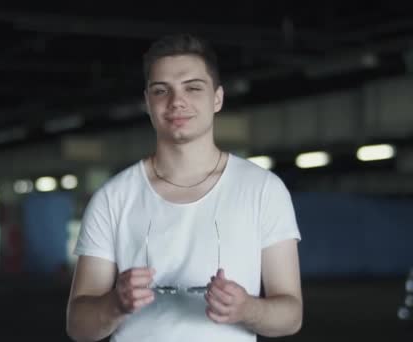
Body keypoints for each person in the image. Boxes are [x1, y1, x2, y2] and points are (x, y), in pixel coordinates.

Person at [66, 33, 302, 342]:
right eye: (161, 90)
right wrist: (115, 303)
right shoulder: (113, 198)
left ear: (217, 98)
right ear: (148, 102)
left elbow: (291, 315)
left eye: (193, 88)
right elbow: (78, 326)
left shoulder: (263, 190)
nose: (177, 101)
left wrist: (248, 309)